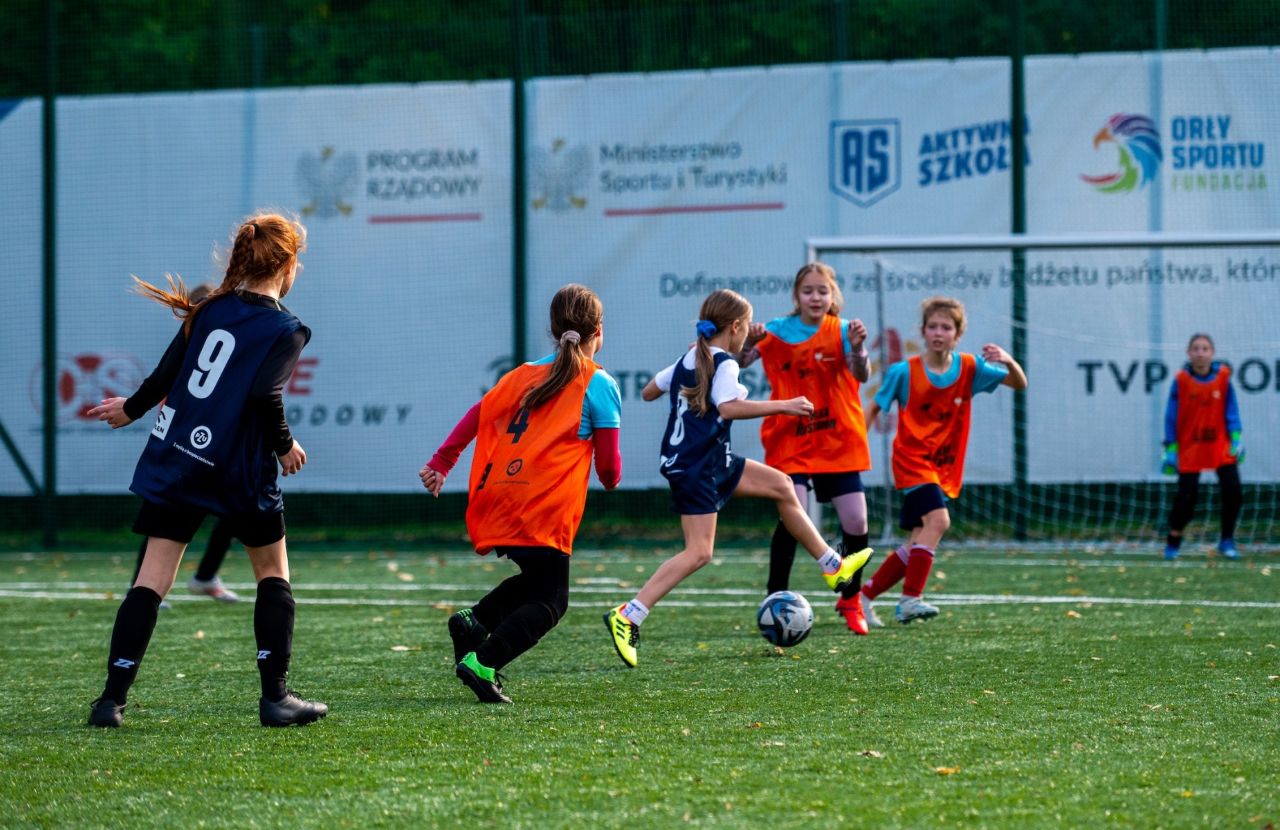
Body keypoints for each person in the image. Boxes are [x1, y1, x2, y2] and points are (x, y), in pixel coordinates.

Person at [85, 213, 326, 728]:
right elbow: (265, 393)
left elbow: (166, 373)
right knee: (272, 573)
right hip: (237, 468)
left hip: (180, 459)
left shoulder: (210, 309)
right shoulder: (287, 327)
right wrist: (284, 446)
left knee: (151, 579)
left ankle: (111, 700)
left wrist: (129, 409)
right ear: (287, 264)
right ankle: (275, 698)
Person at [603, 289, 871, 668]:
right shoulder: (723, 362)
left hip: (711, 460)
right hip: (698, 467)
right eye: (746, 328)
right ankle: (630, 614)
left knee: (781, 485)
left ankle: (832, 565)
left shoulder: (692, 357)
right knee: (699, 552)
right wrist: (785, 405)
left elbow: (649, 392)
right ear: (736, 327)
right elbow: (728, 407)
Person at [420, 284, 621, 704]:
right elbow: (608, 469)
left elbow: (479, 414)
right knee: (552, 600)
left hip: (501, 495)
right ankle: (485, 661)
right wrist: (609, 478)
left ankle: (476, 621)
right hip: (542, 504)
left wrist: (442, 462)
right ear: (598, 331)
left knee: (535, 581)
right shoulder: (598, 382)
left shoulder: (519, 374)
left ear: (553, 329)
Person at [858, 296, 1026, 624]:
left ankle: (862, 597)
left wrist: (1008, 359)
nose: (938, 332)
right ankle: (910, 599)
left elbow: (1019, 383)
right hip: (911, 461)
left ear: (957, 334)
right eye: (932, 326)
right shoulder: (903, 372)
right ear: (922, 331)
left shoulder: (970, 368)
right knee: (939, 522)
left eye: (946, 327)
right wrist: (855, 449)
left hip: (941, 466)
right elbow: (874, 407)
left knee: (920, 537)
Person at [738, 262, 877, 634]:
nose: (816, 297)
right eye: (808, 291)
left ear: (833, 297)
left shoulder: (846, 330)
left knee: (857, 521)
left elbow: (862, 374)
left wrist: (860, 348)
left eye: (823, 291)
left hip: (838, 438)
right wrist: (748, 343)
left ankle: (850, 599)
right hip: (791, 437)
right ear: (796, 296)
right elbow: (737, 364)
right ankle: (775, 597)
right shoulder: (774, 331)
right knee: (792, 514)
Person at [127, 282, 241, 606]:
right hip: (184, 444)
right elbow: (164, 385)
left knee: (237, 509)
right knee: (162, 514)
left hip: (219, 443)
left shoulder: (232, 341)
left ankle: (205, 577)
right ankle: (140, 584)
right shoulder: (191, 343)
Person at [1161, 332, 1244, 561]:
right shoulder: (1181, 381)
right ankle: (1174, 539)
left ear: (1212, 353)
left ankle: (1227, 540)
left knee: (1233, 491)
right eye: (1196, 348)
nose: (1200, 353)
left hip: (1219, 445)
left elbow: (1231, 410)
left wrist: (1236, 437)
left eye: (1205, 348)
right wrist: (1170, 446)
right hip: (1190, 447)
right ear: (1189, 353)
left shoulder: (1223, 379)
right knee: (1186, 497)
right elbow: (1171, 415)